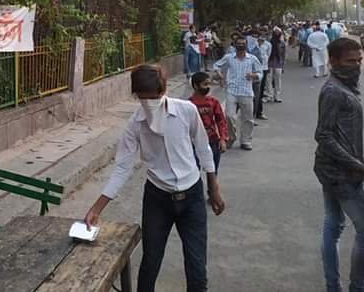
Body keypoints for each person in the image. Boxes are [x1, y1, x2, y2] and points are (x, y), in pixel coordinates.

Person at [83, 65, 225, 292]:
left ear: (163, 90)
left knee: (197, 267)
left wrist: (213, 187)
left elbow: (203, 147)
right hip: (158, 199)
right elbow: (122, 168)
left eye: (154, 97)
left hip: (192, 196)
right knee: (150, 261)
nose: (149, 103)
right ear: (136, 96)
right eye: (143, 98)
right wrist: (96, 208)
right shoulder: (135, 125)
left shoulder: (186, 111)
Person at [314, 38, 364, 292]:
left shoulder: (347, 86)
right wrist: (355, 163)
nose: (356, 66)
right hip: (340, 173)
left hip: (336, 169)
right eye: (350, 61)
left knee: (333, 224)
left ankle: (332, 285)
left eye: (359, 60)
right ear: (333, 61)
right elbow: (323, 135)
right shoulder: (334, 91)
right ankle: (356, 286)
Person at [214, 36, 263, 151]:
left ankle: (245, 141)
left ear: (246, 45)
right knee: (229, 116)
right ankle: (231, 137)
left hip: (246, 91)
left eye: (243, 44)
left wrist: (254, 75)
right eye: (239, 44)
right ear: (235, 45)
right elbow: (216, 65)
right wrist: (219, 73)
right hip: (232, 90)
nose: (241, 45)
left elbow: (260, 73)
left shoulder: (252, 59)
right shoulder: (229, 58)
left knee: (248, 118)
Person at [189, 72, 228, 174]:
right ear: (195, 86)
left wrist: (222, 139)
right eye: (205, 84)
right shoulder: (188, 104)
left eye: (209, 84)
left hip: (212, 139)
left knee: (213, 171)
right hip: (194, 142)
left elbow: (221, 121)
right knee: (194, 171)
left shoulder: (213, 102)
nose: (208, 87)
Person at [268, 27, 286, 103]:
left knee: (278, 80)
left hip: (278, 63)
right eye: (275, 32)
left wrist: (283, 65)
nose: (277, 33)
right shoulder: (269, 42)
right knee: (268, 80)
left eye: (278, 32)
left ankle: (277, 96)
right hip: (270, 63)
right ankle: (269, 95)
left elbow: (283, 55)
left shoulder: (282, 43)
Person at [256, 33, 271, 120]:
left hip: (263, 69)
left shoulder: (268, 45)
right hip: (254, 71)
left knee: (260, 92)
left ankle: (259, 112)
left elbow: (268, 55)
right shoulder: (252, 45)